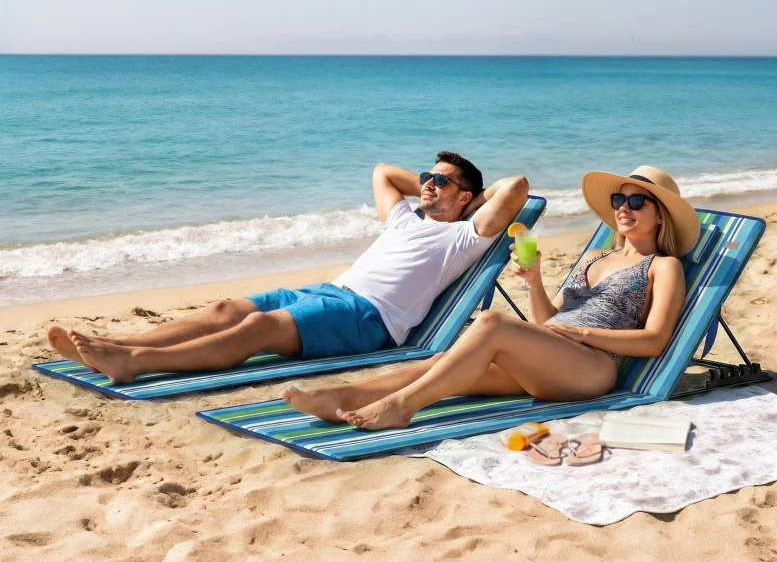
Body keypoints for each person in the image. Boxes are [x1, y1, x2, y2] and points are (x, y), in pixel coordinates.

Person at [47, 152, 529, 383]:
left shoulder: (463, 235)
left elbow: (516, 187)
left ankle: (134, 364)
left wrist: (466, 203)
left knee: (260, 326)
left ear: (465, 197)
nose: (425, 185)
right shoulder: (405, 216)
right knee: (225, 308)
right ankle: (114, 347)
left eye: (439, 181)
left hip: (369, 318)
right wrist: (434, 185)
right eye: (425, 177)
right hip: (329, 291)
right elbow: (381, 170)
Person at [282, 165, 700, 431]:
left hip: (592, 369)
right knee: (441, 365)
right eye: (618, 200)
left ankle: (401, 407)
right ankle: (341, 395)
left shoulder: (664, 266)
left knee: (491, 321)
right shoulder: (595, 254)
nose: (624, 208)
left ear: (659, 213)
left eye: (636, 201)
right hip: (552, 355)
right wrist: (534, 282)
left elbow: (655, 340)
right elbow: (547, 320)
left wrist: (585, 334)